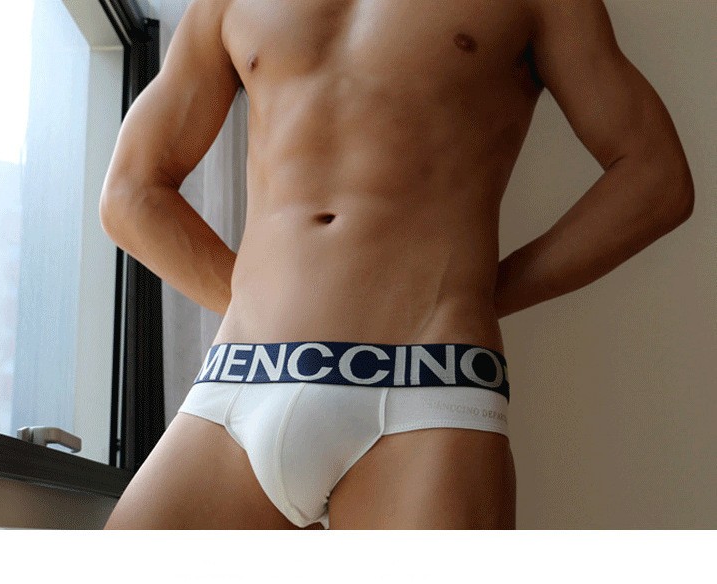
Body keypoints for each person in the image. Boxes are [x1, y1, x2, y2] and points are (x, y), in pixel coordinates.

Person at [99, 0, 694, 529]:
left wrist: (486, 295)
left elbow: (656, 176)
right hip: (242, 378)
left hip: (426, 386)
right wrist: (261, 306)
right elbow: (131, 194)